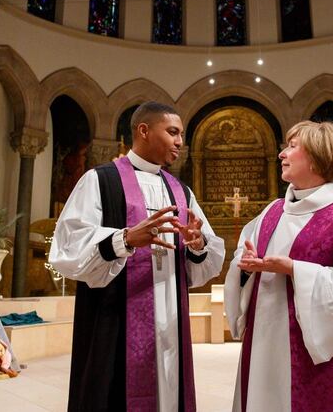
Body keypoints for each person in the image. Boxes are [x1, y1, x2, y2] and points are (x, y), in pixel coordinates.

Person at [50, 101, 225, 411]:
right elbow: (68, 246)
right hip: (115, 317)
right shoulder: (101, 180)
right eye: (172, 132)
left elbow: (203, 259)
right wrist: (125, 239)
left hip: (169, 316)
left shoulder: (181, 192)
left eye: (181, 134)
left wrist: (197, 244)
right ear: (143, 130)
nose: (179, 142)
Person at [224, 121, 333, 412]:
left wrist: (295, 269)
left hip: (321, 353)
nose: (282, 154)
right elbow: (243, 261)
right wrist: (244, 268)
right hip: (264, 348)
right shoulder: (271, 212)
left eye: (292, 147)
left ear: (318, 157)